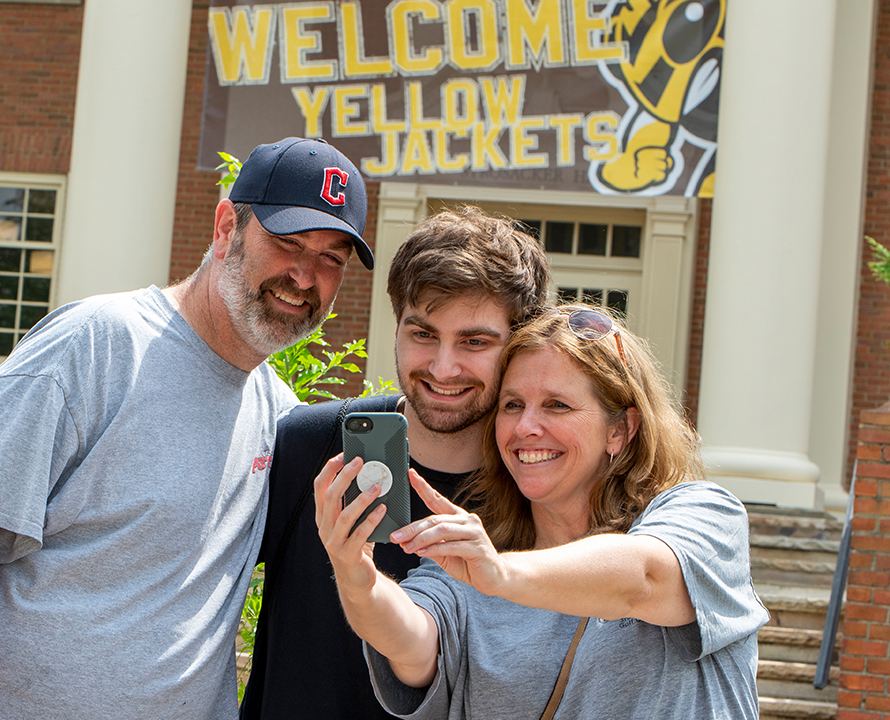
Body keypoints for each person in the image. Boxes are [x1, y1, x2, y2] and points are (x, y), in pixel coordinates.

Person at [0, 137, 374, 720]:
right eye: (287, 243)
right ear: (226, 229)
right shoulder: (97, 344)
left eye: (331, 259)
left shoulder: (279, 416)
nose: (304, 275)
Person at [316, 304, 770, 720]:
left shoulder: (703, 514)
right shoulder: (471, 565)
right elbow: (410, 642)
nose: (526, 427)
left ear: (620, 430)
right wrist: (357, 577)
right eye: (513, 405)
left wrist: (502, 575)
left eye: (557, 405)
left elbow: (646, 579)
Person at [239, 206, 550, 719]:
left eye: (474, 341)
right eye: (423, 333)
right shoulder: (309, 444)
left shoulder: (540, 488)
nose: (443, 367)